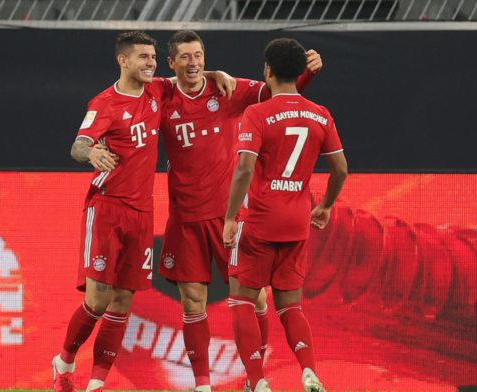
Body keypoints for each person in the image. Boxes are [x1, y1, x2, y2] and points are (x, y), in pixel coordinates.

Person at [49, 31, 234, 392]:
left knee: (122, 301)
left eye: (152, 57)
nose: (150, 63)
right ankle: (65, 361)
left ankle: (97, 383)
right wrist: (91, 154)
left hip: (142, 213)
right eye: (143, 57)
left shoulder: (157, 91)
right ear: (123, 61)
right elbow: (79, 144)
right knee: (98, 299)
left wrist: (216, 74)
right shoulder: (105, 102)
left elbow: (189, 73)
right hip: (107, 209)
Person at [157, 30, 322, 392]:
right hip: (185, 218)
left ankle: (254, 377)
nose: (193, 62)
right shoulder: (163, 95)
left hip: (227, 215)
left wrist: (306, 73)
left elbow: (278, 95)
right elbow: (133, 87)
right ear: (171, 63)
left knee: (255, 298)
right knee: (192, 302)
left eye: (198, 55)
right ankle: (203, 385)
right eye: (184, 56)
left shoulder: (227, 91)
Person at [223, 38, 347, 392]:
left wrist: (231, 217)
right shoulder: (320, 113)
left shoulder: (258, 113)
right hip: (297, 221)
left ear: (268, 71)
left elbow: (245, 168)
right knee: (290, 306)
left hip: (259, 219)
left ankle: (258, 381)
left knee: (242, 299)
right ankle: (308, 371)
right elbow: (340, 168)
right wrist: (324, 206)